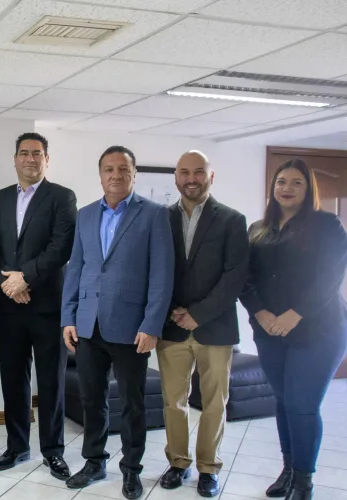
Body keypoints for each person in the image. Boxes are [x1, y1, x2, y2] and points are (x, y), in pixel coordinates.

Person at [61, 145, 173, 499]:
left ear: (133, 174)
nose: (116, 175)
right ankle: (94, 462)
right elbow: (76, 268)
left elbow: (162, 275)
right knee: (92, 399)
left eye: (123, 169)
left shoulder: (154, 215)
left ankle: (131, 469)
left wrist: (152, 324)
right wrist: (68, 316)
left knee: (132, 403)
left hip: (131, 327)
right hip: (88, 324)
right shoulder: (85, 215)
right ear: (100, 175)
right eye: (109, 169)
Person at [240, 159, 347, 500]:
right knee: (284, 402)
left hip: (319, 332)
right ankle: (288, 469)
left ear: (308, 188)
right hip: (269, 331)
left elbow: (330, 277)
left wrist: (294, 314)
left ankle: (304, 482)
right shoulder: (258, 229)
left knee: (302, 405)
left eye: (296, 182)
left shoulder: (327, 225)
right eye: (281, 181)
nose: (287, 188)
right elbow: (244, 278)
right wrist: (261, 313)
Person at [157, 151, 248, 498]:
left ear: (211, 176)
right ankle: (178, 463)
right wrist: (171, 311)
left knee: (214, 403)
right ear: (176, 177)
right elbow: (154, 271)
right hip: (172, 326)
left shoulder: (232, 220)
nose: (191, 178)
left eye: (198, 172)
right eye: (184, 172)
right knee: (173, 401)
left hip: (215, 327)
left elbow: (234, 276)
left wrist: (198, 313)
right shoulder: (161, 218)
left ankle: (208, 468)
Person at [0, 132, 76, 480]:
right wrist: (9, 284)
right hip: (8, 305)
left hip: (48, 305)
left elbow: (61, 247)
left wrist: (26, 278)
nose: (30, 158)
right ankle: (17, 446)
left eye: (37, 153)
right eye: (24, 152)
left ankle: (53, 451)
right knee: (13, 378)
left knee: (51, 381)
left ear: (46, 159)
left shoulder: (62, 197)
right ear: (15, 159)